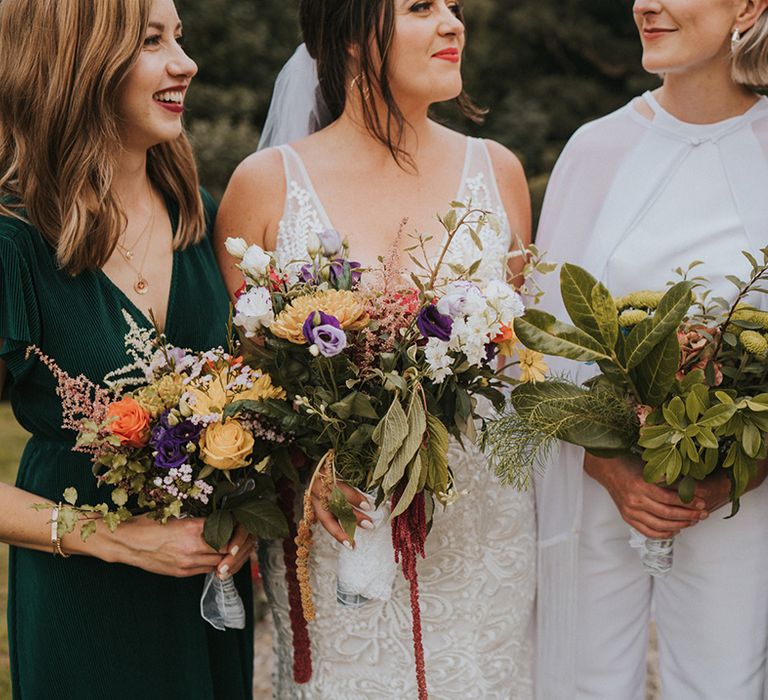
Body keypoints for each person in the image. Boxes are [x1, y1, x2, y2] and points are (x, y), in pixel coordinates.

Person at [214, 0, 536, 697]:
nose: (453, 23)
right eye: (422, 7)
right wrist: (320, 458)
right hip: (341, 524)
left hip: (480, 523)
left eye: (453, 7)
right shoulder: (267, 185)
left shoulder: (498, 171)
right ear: (354, 36)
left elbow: (509, 358)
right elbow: (251, 386)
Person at [0, 0, 255, 697]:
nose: (186, 62)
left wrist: (252, 509)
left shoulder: (197, 213)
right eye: (152, 41)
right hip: (84, 596)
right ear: (79, 65)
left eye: (181, 37)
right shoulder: (13, 239)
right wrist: (113, 537)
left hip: (211, 587)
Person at [534, 1, 768, 697]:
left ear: (750, 6)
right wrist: (614, 473)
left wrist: (734, 477)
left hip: (744, 495)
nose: (644, 4)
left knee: (727, 683)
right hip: (599, 489)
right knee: (588, 681)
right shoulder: (596, 149)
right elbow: (540, 350)